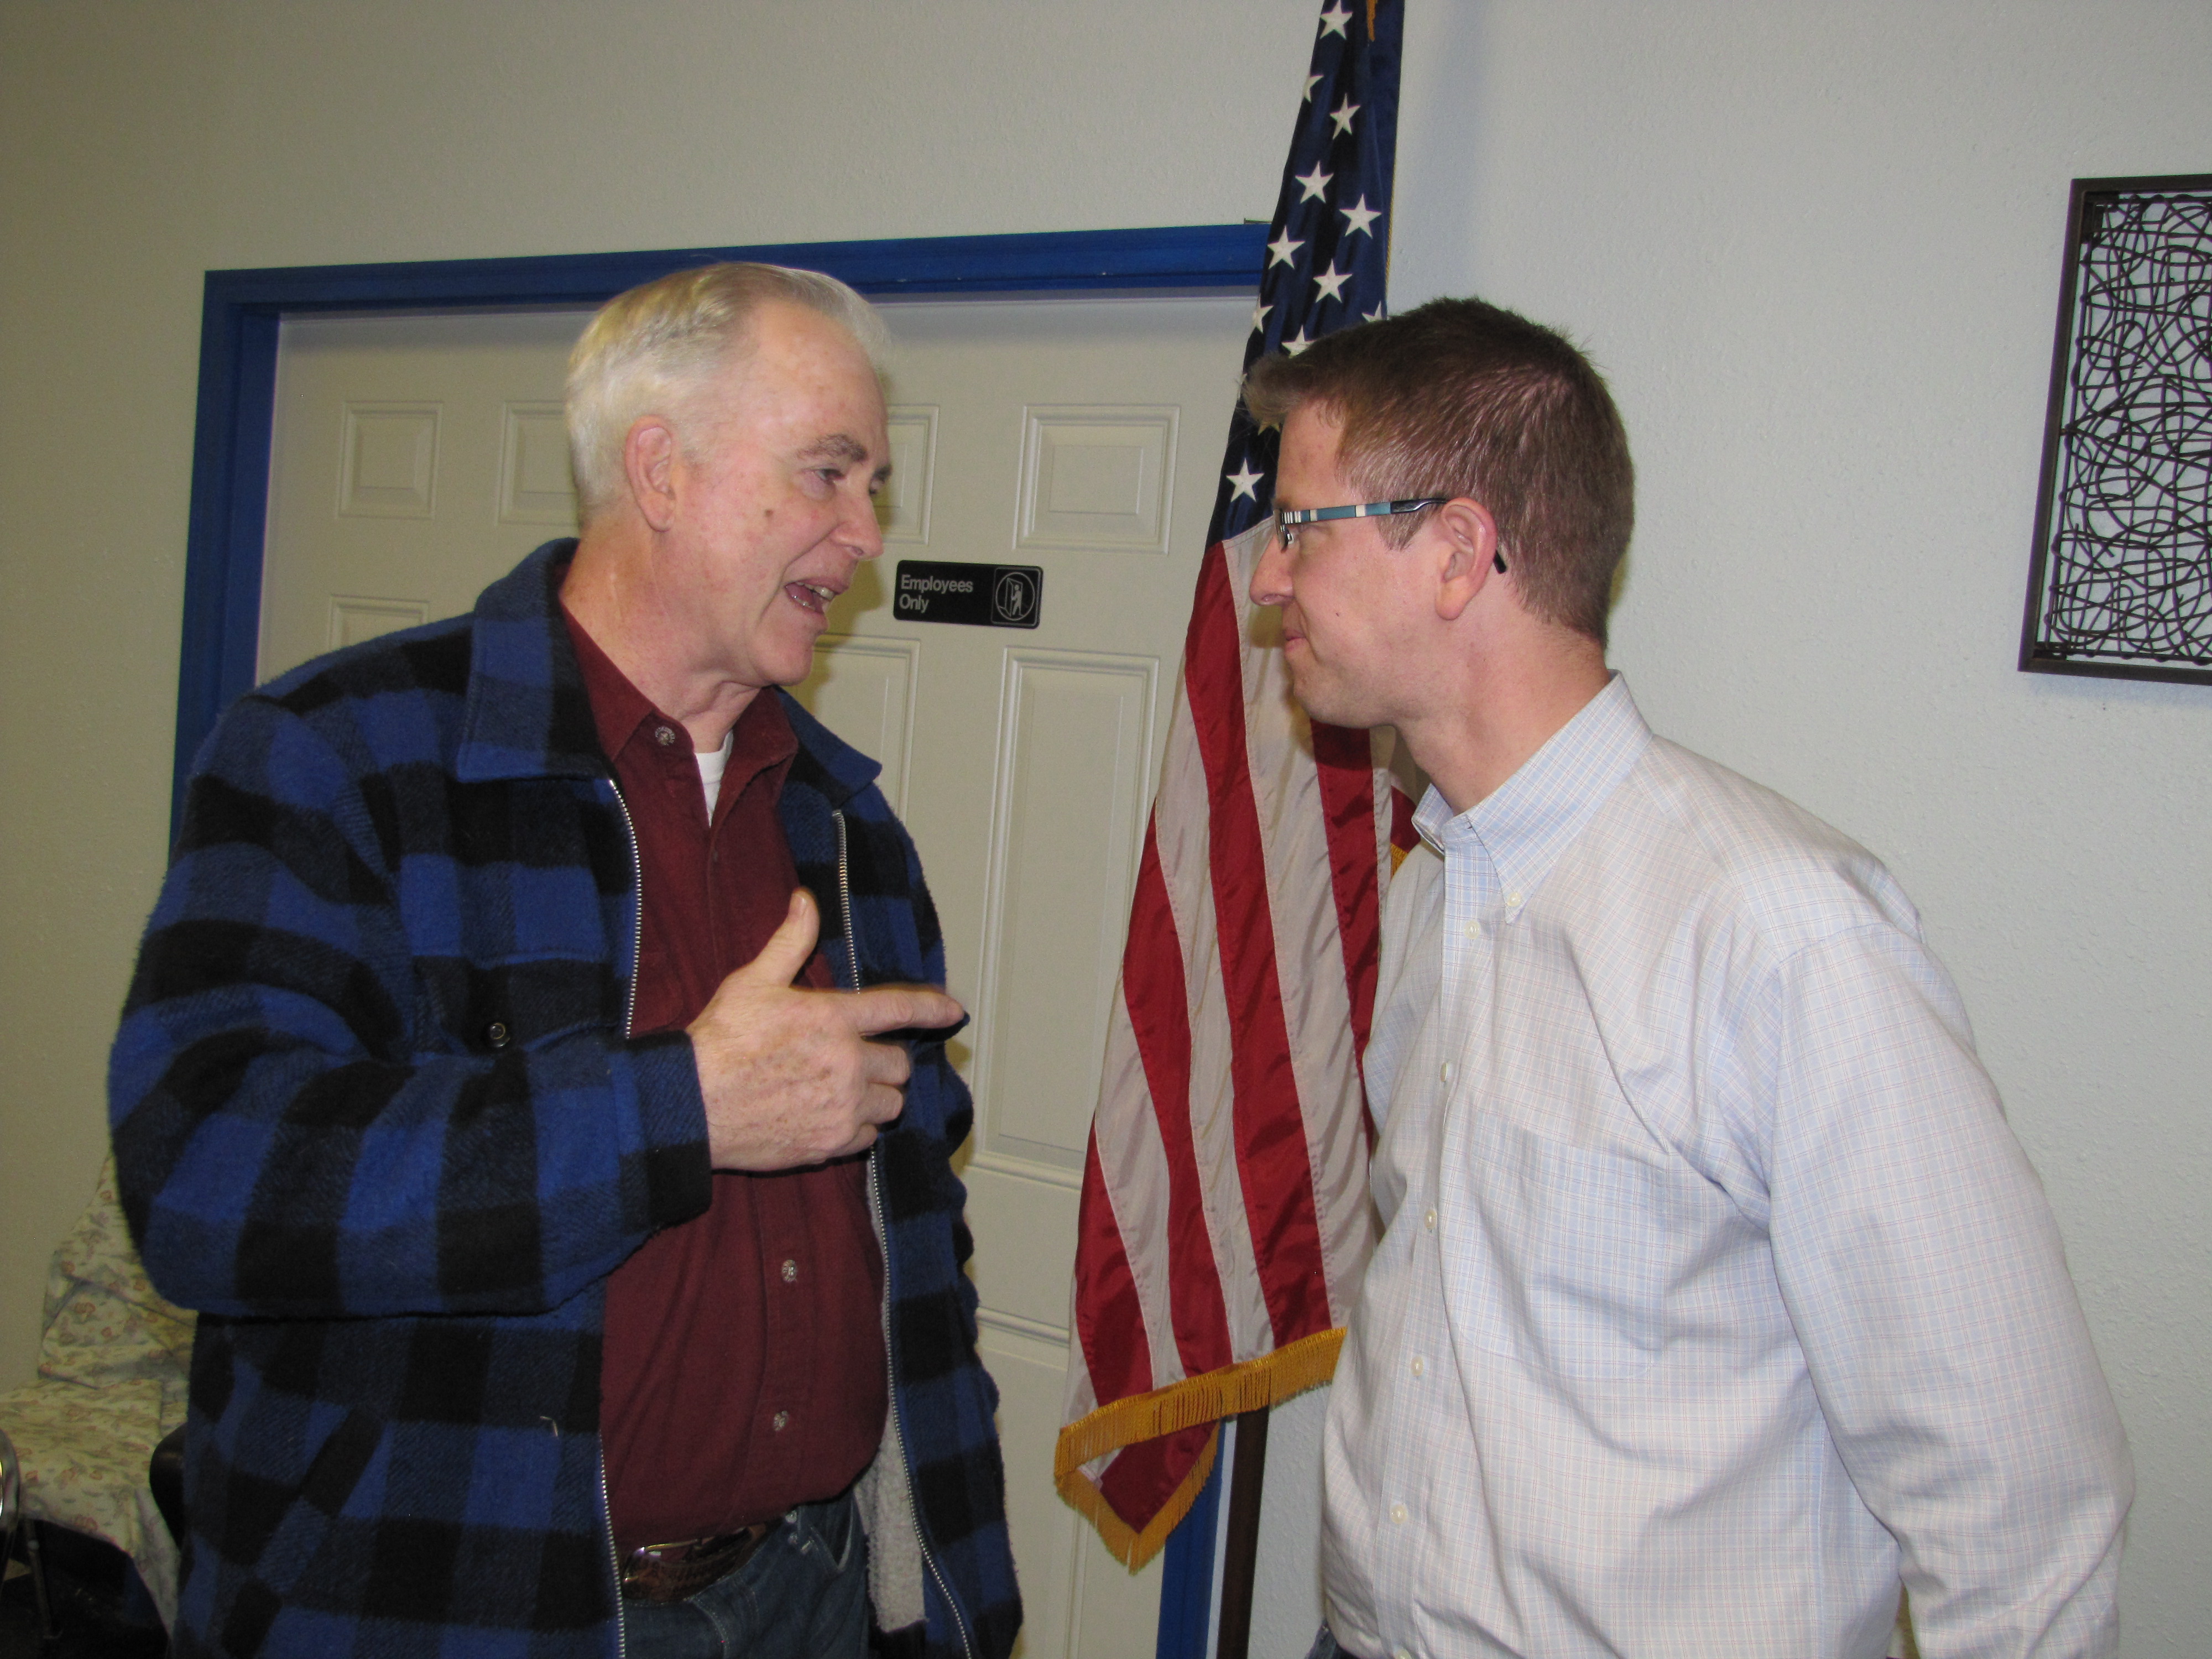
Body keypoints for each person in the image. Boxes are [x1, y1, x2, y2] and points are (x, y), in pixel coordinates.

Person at [109, 264, 1021, 1659]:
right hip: (474, 1608)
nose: (863, 536)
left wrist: (950, 1580)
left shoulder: (841, 824)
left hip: (818, 1586)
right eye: (828, 473)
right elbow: (206, 1178)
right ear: (659, 469)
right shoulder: (341, 758)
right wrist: (679, 1109)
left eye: (873, 488)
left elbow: (915, 1233)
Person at [1242, 298, 2131, 1659]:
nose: (1267, 578)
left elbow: (2017, 1512)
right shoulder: (1434, 893)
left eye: (1302, 528)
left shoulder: (1779, 938)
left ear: (1458, 554)